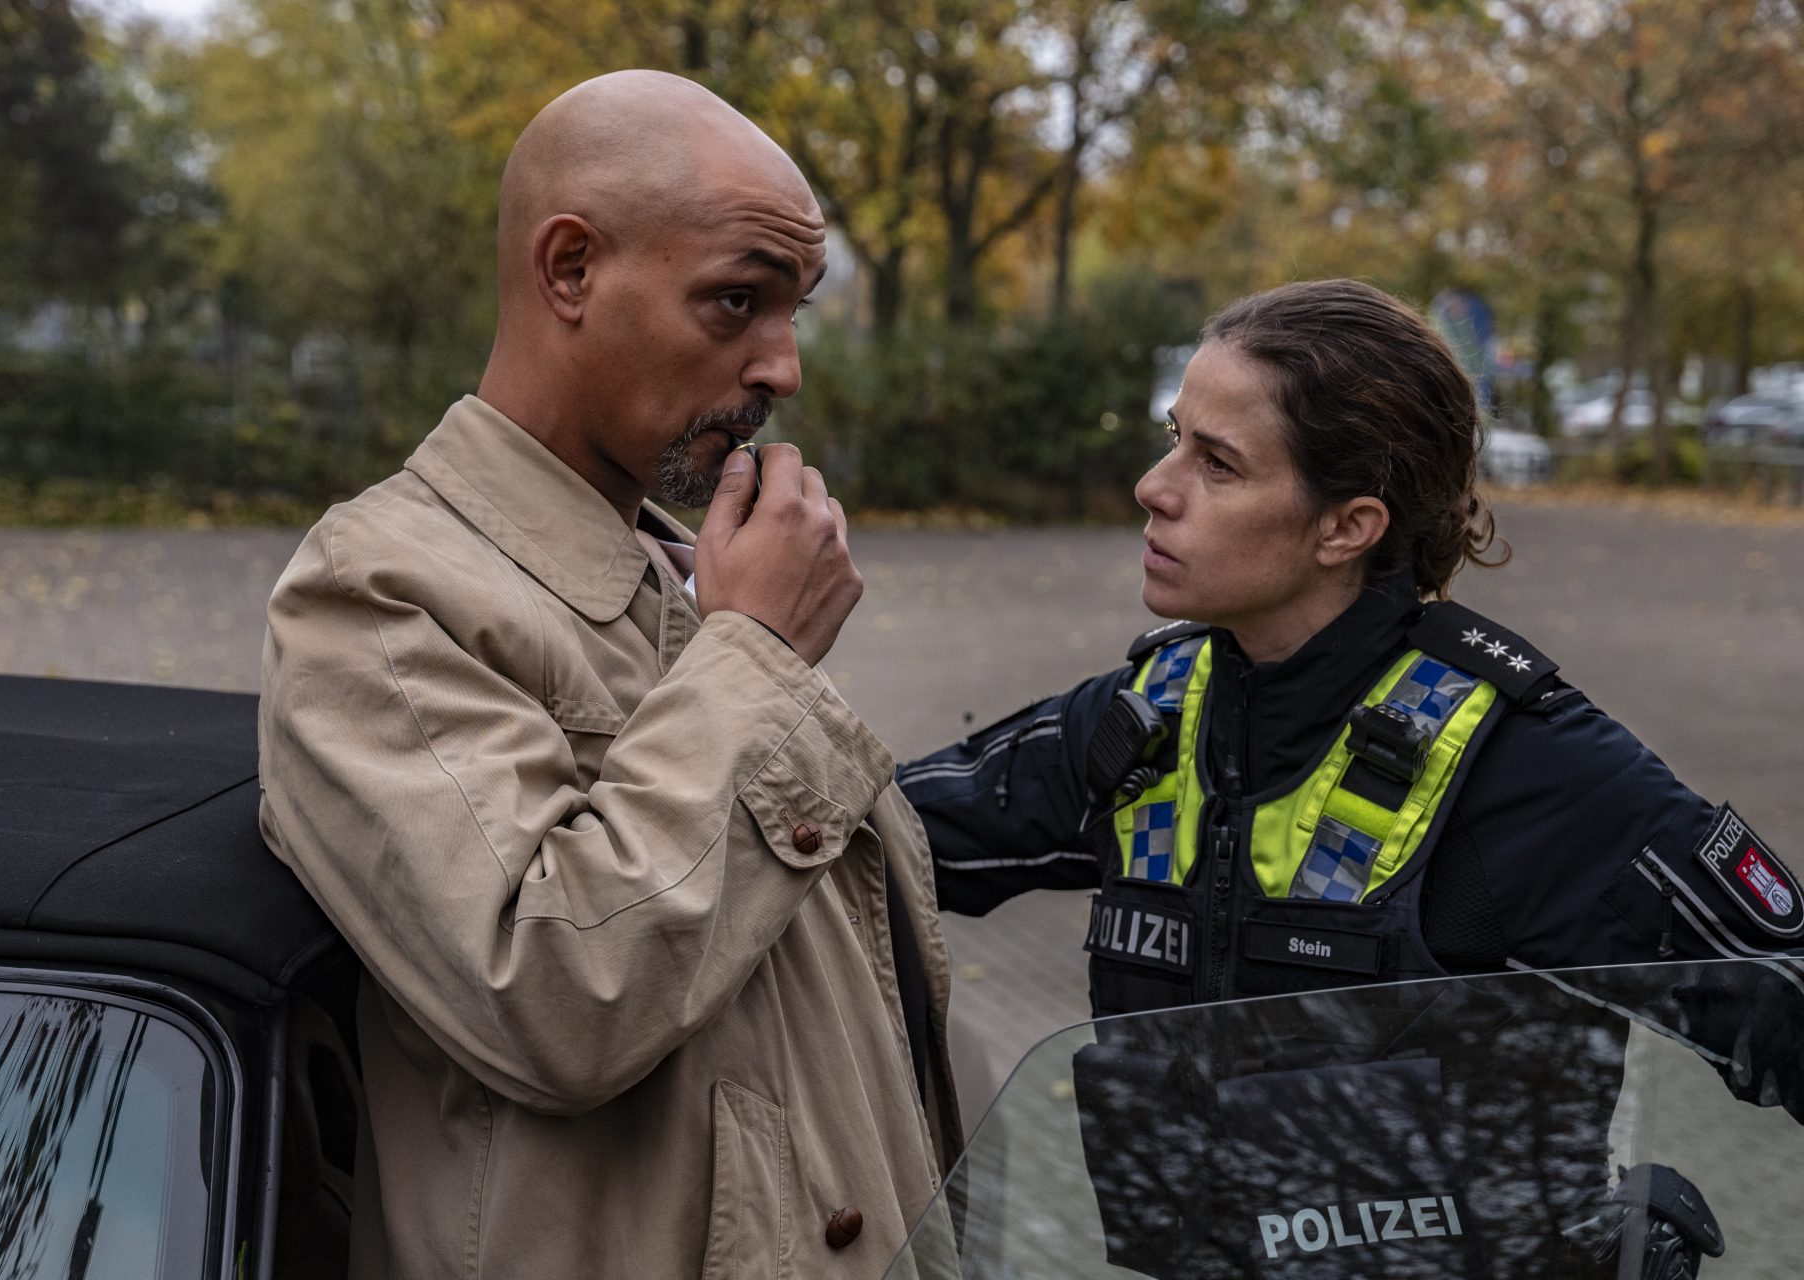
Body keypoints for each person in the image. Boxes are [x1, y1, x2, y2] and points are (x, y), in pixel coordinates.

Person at [900, 279, 1802, 1276]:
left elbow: (1782, 983)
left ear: (1346, 527)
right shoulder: (1143, 723)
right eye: (1174, 438)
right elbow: (859, 846)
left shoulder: (1525, 763)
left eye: (1218, 462)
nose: (1156, 486)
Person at [258, 71, 960, 1279]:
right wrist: (757, 656)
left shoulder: (698, 577)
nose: (783, 365)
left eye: (794, 308)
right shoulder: (376, 593)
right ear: (570, 270)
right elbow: (553, 991)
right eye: (736, 301)